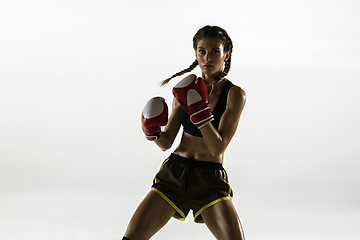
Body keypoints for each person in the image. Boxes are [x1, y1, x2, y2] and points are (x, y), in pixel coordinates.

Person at [123, 25, 246, 240]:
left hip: (209, 178)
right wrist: (152, 132)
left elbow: (217, 147)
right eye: (202, 51)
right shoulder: (185, 88)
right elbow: (167, 142)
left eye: (215, 51)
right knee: (132, 237)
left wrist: (199, 112)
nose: (207, 58)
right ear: (196, 53)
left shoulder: (234, 94)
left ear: (226, 54)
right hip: (174, 173)